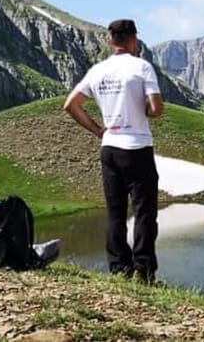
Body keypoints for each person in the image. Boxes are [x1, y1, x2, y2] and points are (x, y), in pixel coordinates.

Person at [63, 19, 164, 283]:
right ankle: (143, 269)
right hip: (137, 146)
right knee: (144, 212)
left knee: (115, 212)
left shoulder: (98, 71)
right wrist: (138, 110)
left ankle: (119, 268)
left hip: (109, 147)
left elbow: (71, 105)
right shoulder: (142, 67)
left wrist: (99, 130)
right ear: (133, 39)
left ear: (110, 40)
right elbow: (156, 109)